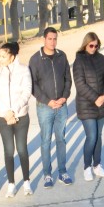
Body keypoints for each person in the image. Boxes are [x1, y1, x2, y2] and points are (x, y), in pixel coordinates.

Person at [28, 27, 74, 188]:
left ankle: (62, 171)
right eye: (50, 39)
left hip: (61, 106)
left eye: (55, 39)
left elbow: (68, 78)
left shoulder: (62, 56)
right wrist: (47, 101)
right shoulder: (35, 59)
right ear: (44, 39)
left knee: (61, 139)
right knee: (46, 141)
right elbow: (32, 85)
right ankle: (47, 174)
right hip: (45, 107)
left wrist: (64, 97)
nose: (53, 42)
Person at [0, 42, 33, 197]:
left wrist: (14, 111)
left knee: (22, 149)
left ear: (12, 56)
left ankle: (27, 181)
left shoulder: (24, 70)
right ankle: (11, 184)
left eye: (3, 56)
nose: (0, 59)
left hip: (21, 116)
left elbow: (26, 92)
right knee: (8, 151)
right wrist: (6, 112)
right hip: (3, 118)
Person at [73, 32, 104, 181]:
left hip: (101, 104)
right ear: (85, 44)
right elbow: (80, 84)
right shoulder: (79, 61)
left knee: (99, 136)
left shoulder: (101, 59)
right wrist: (95, 98)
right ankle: (87, 167)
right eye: (91, 45)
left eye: (96, 45)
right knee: (92, 136)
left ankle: (97, 165)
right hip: (86, 106)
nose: (94, 48)